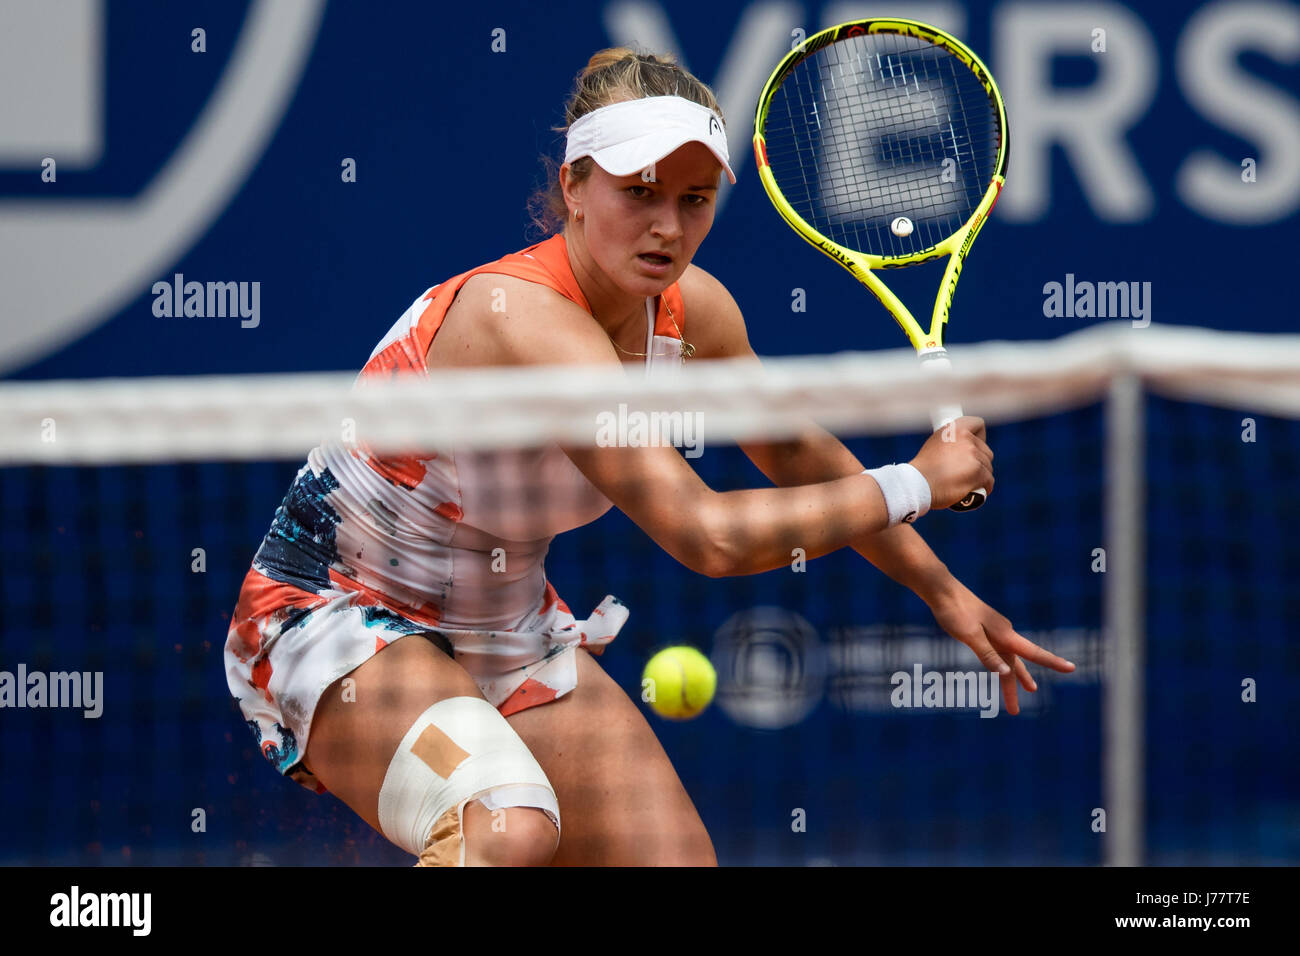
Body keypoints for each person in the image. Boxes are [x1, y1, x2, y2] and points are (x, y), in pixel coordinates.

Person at [224, 47, 1075, 867]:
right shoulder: (518, 319)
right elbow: (704, 535)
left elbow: (797, 454)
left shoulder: (693, 313)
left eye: (695, 199)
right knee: (507, 825)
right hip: (332, 620)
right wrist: (920, 481)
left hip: (504, 629)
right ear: (574, 187)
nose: (668, 227)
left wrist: (943, 591)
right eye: (639, 193)